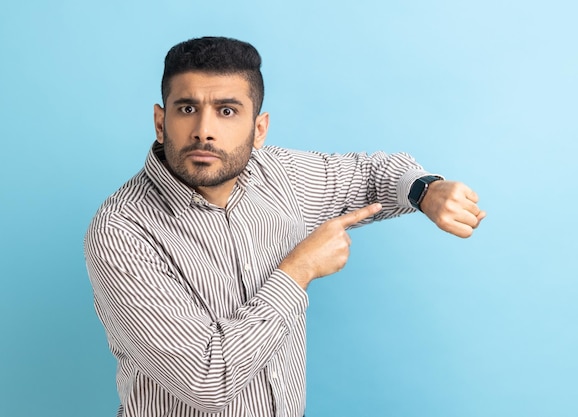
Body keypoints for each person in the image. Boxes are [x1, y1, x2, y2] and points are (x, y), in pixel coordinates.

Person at [84, 36, 485, 417]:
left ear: (259, 129)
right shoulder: (121, 230)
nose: (204, 130)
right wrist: (298, 271)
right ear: (160, 121)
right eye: (187, 108)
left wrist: (426, 190)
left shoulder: (281, 175)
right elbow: (206, 379)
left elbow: (372, 173)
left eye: (227, 111)